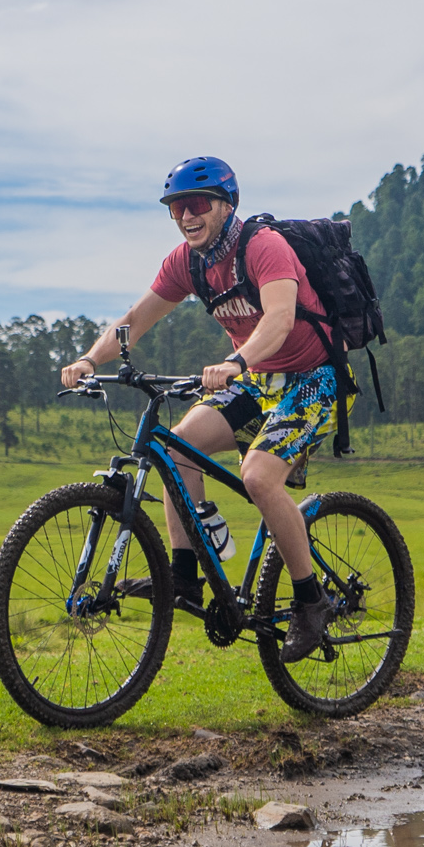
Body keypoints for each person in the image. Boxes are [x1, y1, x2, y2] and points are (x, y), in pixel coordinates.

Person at [59, 156, 345, 661]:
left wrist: (235, 361)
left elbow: (279, 319)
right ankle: (185, 581)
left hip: (314, 379)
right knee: (179, 448)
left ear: (225, 204)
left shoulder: (263, 247)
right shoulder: (187, 262)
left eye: (196, 204)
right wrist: (89, 357)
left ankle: (311, 600)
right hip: (257, 379)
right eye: (175, 209)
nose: (186, 216)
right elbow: (133, 321)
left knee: (258, 477)